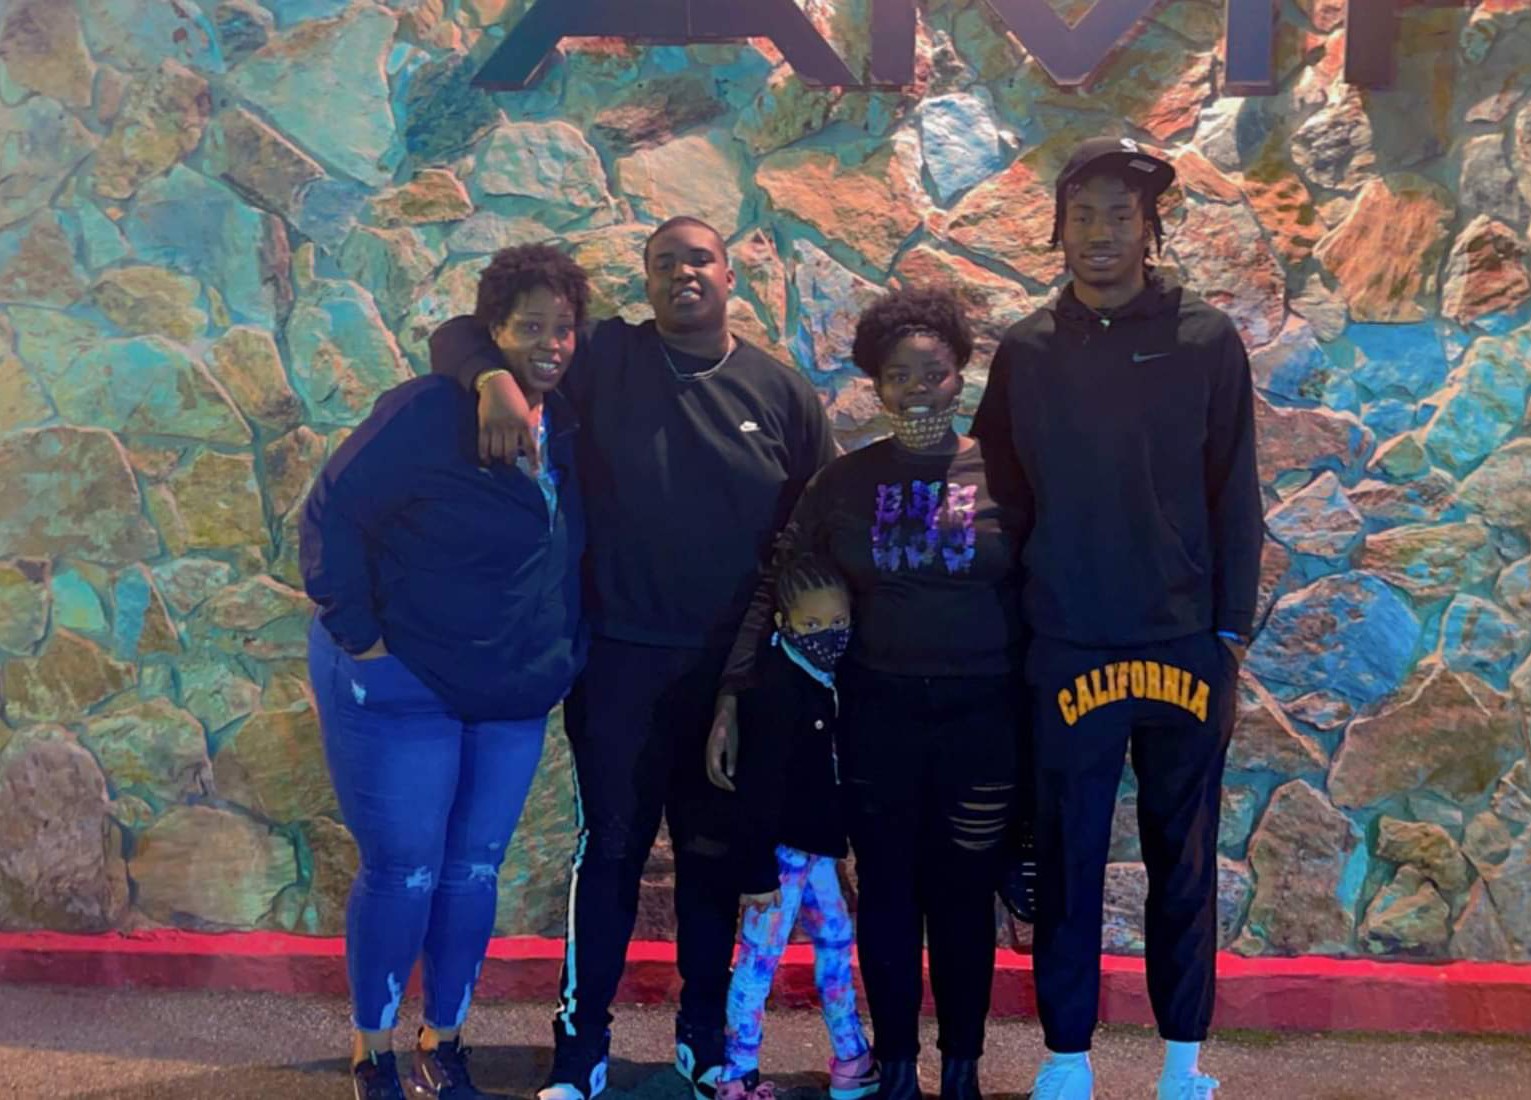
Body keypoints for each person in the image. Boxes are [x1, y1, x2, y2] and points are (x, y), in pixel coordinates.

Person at [429, 216, 838, 1100]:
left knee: (710, 858)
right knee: (609, 850)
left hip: (732, 679)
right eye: (663, 263)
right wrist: (492, 382)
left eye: (699, 259)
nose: (682, 274)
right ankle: (579, 1051)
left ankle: (702, 1040)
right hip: (617, 663)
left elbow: (816, 538)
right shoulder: (607, 356)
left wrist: (776, 676)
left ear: (730, 275)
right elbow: (460, 333)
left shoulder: (781, 393)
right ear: (646, 281)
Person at [972, 136, 1263, 1100]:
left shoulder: (1204, 340)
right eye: (1083, 214)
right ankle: (1066, 1059)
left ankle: (1182, 1062)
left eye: (1120, 215)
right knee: (1066, 858)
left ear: (1149, 229)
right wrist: (1005, 632)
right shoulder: (1026, 351)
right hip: (1066, 644)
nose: (1100, 232)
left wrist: (1229, 632)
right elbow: (999, 502)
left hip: (1183, 643)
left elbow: (1234, 491)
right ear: (1058, 230)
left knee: (1182, 860)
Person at [718, 286, 1029, 1100]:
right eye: (898, 376)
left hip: (983, 721)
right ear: (876, 385)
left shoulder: (1009, 477)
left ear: (959, 375)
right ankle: (894, 1069)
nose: (917, 389)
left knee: (963, 898)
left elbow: (1047, 592)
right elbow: (777, 583)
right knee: (888, 894)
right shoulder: (842, 483)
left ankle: (960, 1069)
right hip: (877, 717)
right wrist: (733, 691)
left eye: (933, 373)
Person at [300, 245, 591, 1100]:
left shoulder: (573, 418)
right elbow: (331, 514)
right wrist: (362, 643)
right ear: (493, 329)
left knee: (472, 872)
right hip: (405, 679)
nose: (549, 343)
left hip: (511, 685)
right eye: (528, 326)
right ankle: (374, 1053)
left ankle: (446, 1041)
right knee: (403, 872)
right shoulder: (429, 411)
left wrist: (561, 650)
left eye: (563, 328)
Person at [709, 554, 877, 1100]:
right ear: (783, 623)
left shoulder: (828, 678)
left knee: (836, 940)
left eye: (838, 622)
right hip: (778, 858)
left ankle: (851, 1056)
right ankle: (737, 1075)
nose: (828, 634)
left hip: (816, 851)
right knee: (759, 960)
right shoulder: (775, 689)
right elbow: (756, 790)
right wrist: (756, 872)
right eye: (812, 623)